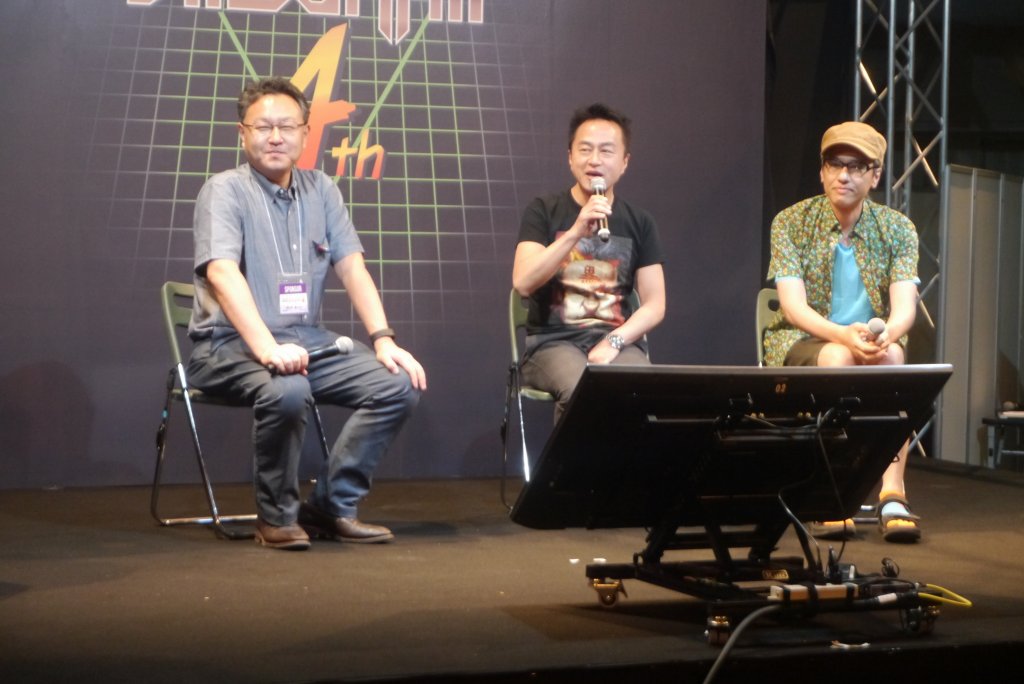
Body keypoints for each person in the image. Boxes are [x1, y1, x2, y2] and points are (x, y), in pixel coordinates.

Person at [187, 76, 426, 551]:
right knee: (288, 388)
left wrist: (383, 338)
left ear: (305, 133)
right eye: (263, 127)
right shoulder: (224, 190)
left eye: (287, 126)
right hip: (228, 346)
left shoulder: (322, 189)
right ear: (242, 133)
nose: (275, 137)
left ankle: (332, 506)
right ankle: (276, 517)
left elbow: (352, 267)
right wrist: (267, 349)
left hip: (305, 341)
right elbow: (222, 273)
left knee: (398, 383)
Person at [765, 120, 921, 543]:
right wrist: (841, 335)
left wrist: (887, 333)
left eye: (856, 166)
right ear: (822, 171)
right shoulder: (791, 222)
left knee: (894, 357)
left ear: (875, 175)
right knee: (838, 356)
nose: (844, 175)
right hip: (803, 338)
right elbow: (793, 308)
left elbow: (904, 308)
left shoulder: (897, 228)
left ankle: (893, 492)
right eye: (835, 164)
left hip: (869, 340)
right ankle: (830, 492)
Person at [512, 103, 666, 420]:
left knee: (644, 390)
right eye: (585, 150)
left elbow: (655, 304)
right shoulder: (543, 210)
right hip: (553, 343)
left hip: (616, 341)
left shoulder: (640, 222)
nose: (594, 160)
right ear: (570, 158)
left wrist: (614, 340)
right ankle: (573, 458)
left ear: (624, 163)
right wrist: (575, 233)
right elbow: (523, 282)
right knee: (582, 389)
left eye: (606, 151)